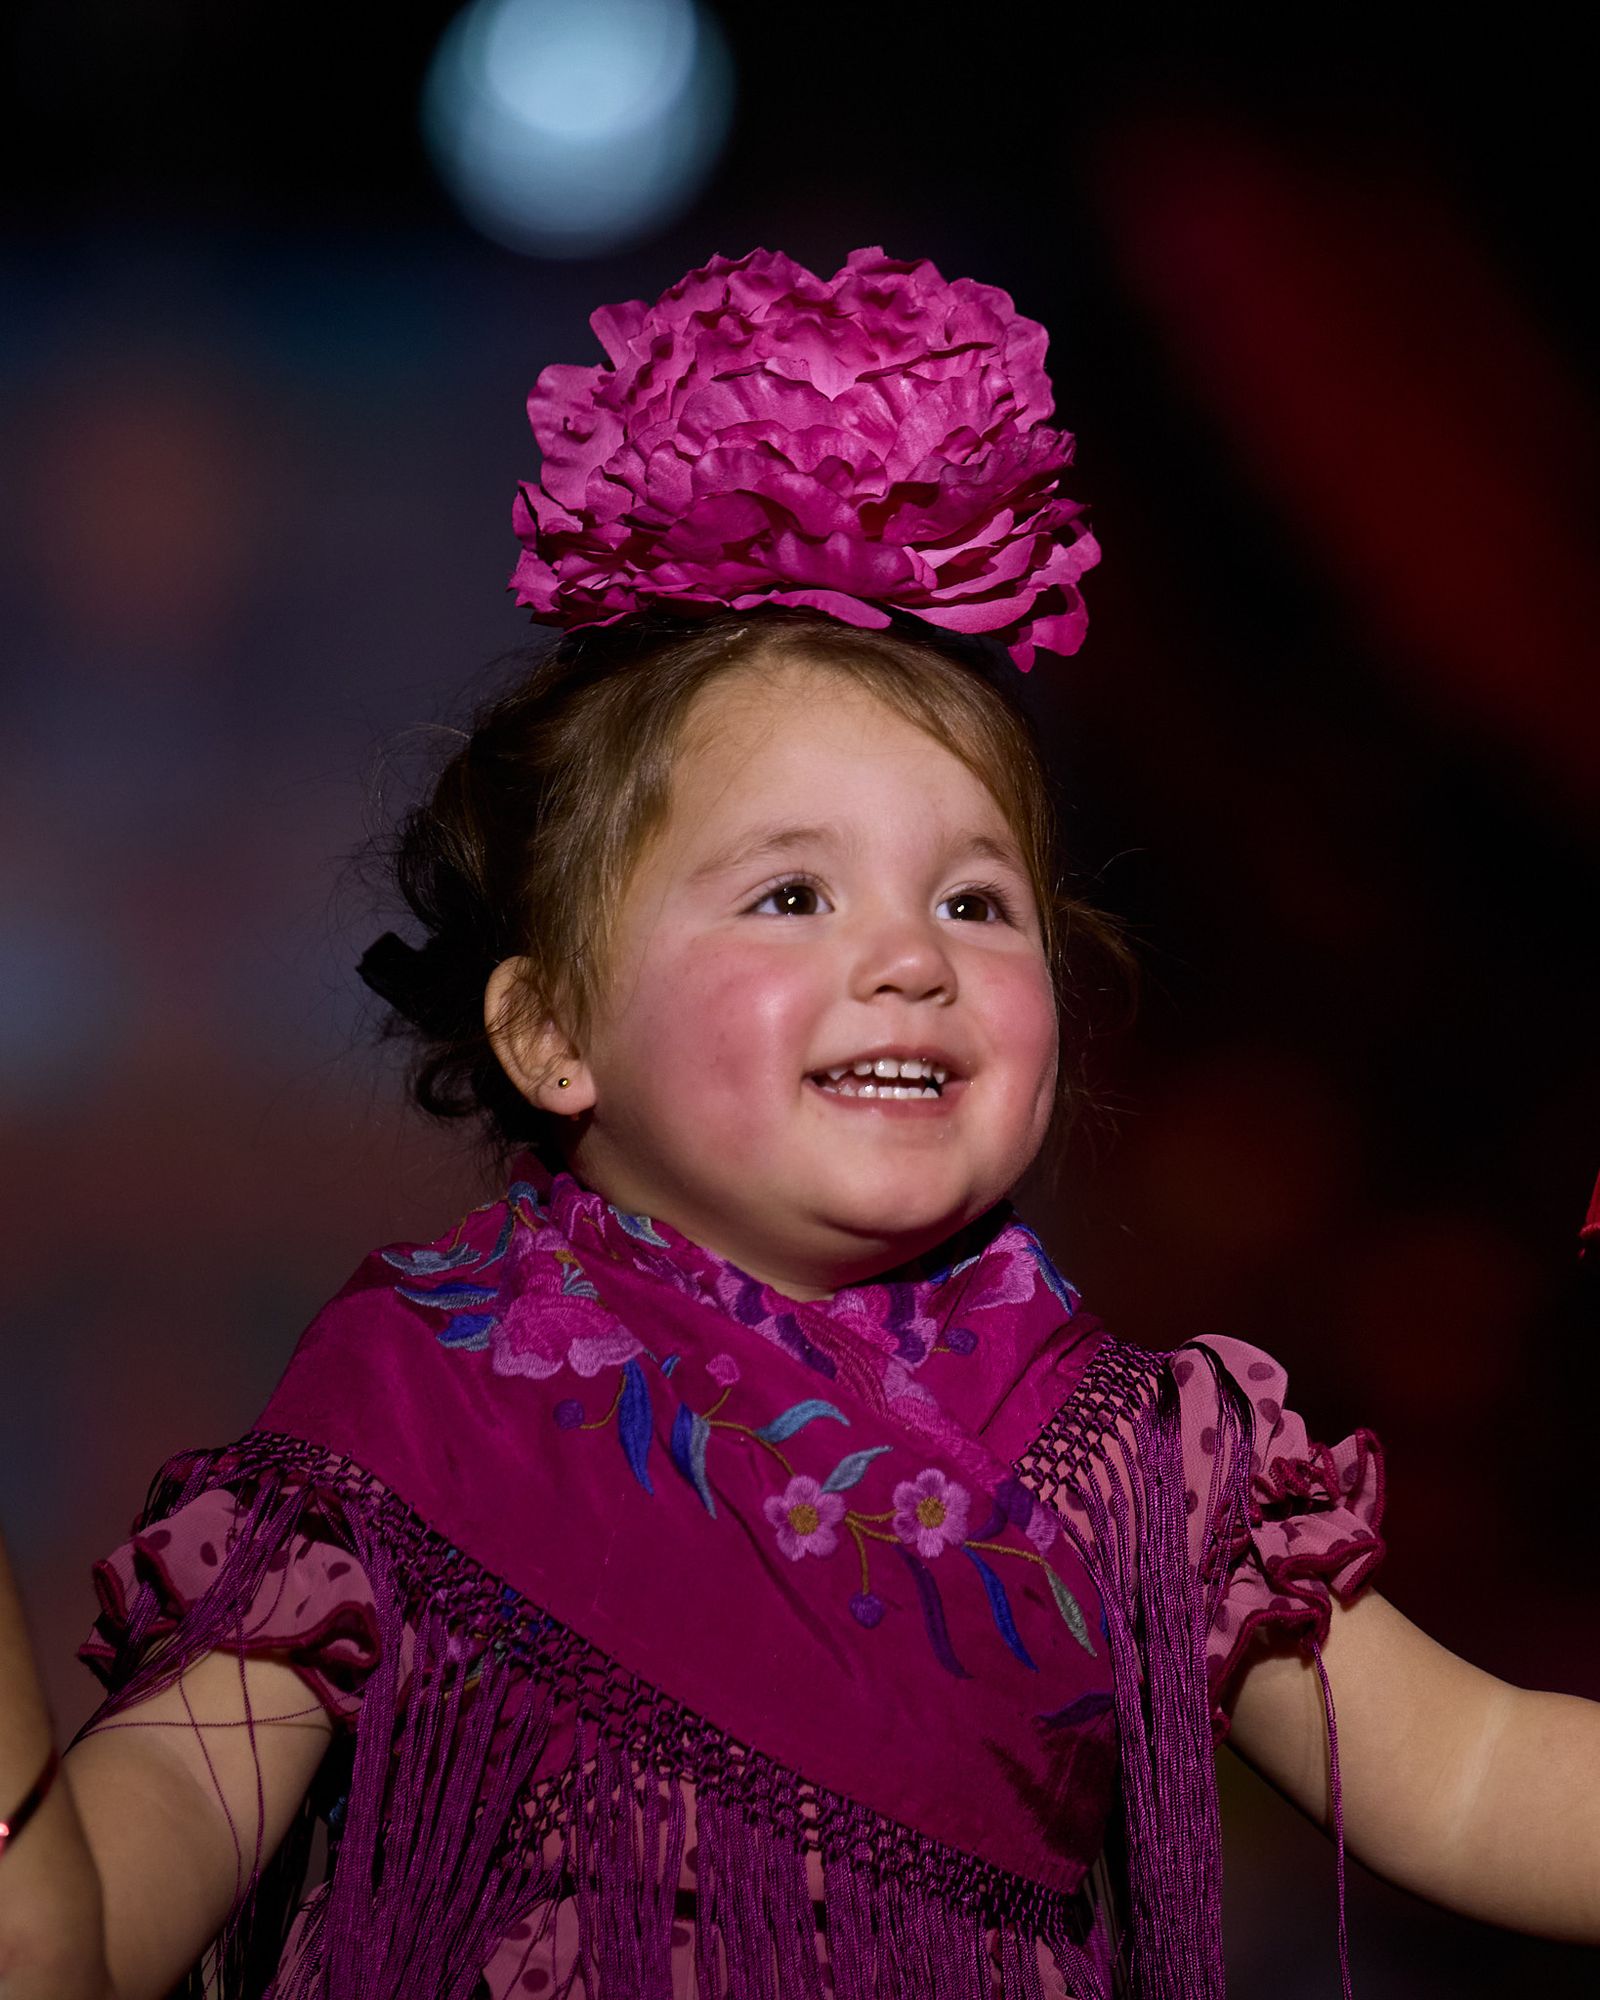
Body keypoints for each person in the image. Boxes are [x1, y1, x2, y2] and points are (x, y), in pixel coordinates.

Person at [1, 246, 1596, 2000]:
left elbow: (1474, 1773)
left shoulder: (1143, 1466)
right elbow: (68, 1943)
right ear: (548, 1028)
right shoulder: (408, 1424)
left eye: (979, 904)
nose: (908, 958)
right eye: (788, 898)